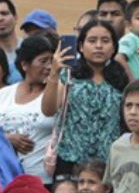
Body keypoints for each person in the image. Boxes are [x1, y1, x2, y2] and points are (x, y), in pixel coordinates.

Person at [43, 19, 126, 178]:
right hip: (70, 160)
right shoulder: (68, 75)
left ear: (114, 47)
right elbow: (48, 110)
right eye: (92, 40)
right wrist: (54, 73)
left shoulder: (121, 78)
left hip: (109, 163)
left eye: (105, 41)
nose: (99, 46)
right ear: (80, 46)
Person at [0, 33, 58, 182]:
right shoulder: (4, 94)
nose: (49, 66)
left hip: (42, 181)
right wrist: (6, 139)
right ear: (24, 65)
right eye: (43, 61)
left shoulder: (56, 92)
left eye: (52, 61)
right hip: (5, 179)